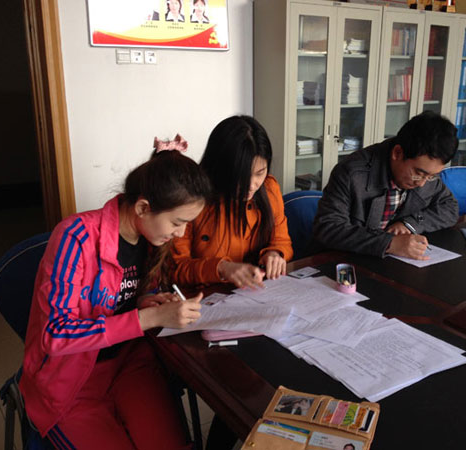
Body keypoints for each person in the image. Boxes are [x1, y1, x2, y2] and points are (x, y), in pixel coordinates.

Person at [19, 136, 211, 449]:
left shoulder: (150, 240)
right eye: (178, 222)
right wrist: (148, 318)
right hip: (72, 383)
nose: (181, 233)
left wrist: (146, 303)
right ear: (143, 207)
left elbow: (119, 298)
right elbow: (55, 334)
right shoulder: (75, 238)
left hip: (130, 365)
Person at [313, 111, 459, 260]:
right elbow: (329, 228)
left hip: (389, 261)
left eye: (431, 176)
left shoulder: (426, 173)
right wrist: (389, 243)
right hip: (345, 260)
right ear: (397, 153)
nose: (421, 183)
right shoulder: (351, 173)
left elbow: (450, 207)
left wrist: (409, 224)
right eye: (419, 173)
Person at [171, 115, 293, 289]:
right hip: (205, 296)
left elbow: (282, 241)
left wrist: (275, 253)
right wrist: (220, 268)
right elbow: (174, 269)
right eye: (241, 177)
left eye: (260, 173)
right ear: (219, 168)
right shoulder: (191, 199)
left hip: (256, 291)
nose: (252, 185)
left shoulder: (270, 189)